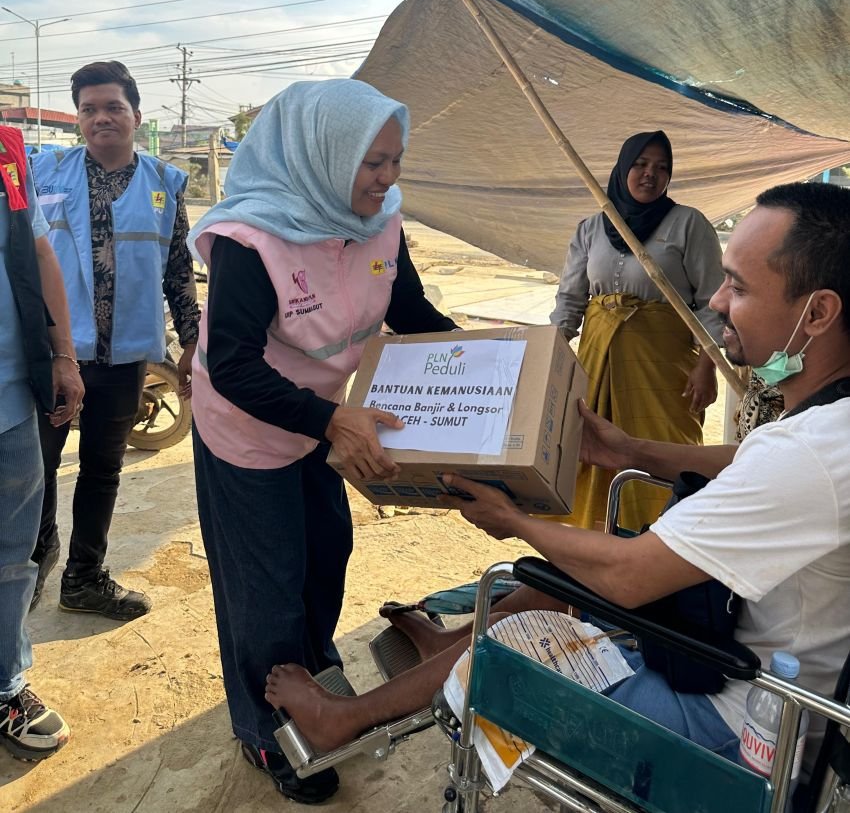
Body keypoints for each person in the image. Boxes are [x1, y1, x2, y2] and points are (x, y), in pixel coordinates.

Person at [264, 181, 850, 783]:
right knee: (568, 572)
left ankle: (352, 716)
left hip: (734, 729)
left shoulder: (808, 454)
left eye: (742, 287)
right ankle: (445, 652)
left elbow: (629, 576)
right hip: (744, 660)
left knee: (525, 623)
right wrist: (625, 448)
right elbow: (746, 460)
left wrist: (516, 522)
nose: (720, 301)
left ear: (820, 312)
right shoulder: (829, 421)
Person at [189, 79, 456, 804]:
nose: (388, 177)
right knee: (265, 582)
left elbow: (410, 308)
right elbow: (233, 363)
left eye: (396, 160)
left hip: (321, 420)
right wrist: (332, 419)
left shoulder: (379, 221)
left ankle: (309, 666)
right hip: (247, 426)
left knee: (326, 551)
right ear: (324, 155)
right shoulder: (255, 236)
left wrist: (504, 366)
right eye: (373, 162)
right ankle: (270, 728)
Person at [29, 61, 200, 619]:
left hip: (125, 357)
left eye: (113, 107)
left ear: (136, 116)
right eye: (89, 109)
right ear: (78, 118)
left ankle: (84, 578)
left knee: (103, 469)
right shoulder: (44, 173)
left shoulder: (165, 183)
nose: (101, 117)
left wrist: (193, 342)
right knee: (39, 469)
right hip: (59, 355)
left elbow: (178, 271)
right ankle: (32, 569)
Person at [550, 130, 725, 530]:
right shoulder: (592, 227)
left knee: (666, 452)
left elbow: (713, 300)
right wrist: (551, 356)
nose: (651, 174)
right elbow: (570, 301)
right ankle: (594, 545)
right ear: (623, 168)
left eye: (662, 168)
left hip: (665, 370)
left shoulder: (688, 224)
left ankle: (661, 544)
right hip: (597, 363)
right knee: (593, 448)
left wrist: (706, 365)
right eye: (642, 164)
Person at [0, 124, 83, 760]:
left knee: (11, 553)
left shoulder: (6, 153)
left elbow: (39, 256)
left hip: (9, 395)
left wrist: (63, 355)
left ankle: (4, 685)